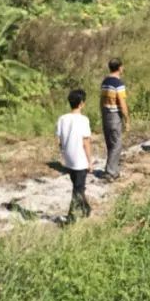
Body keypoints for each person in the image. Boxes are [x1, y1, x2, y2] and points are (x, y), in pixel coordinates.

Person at [57, 89, 94, 222]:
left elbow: (60, 141)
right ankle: (71, 217)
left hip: (68, 158)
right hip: (80, 159)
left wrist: (65, 153)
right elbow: (86, 142)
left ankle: (86, 209)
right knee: (77, 189)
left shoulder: (62, 119)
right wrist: (90, 161)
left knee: (78, 185)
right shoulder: (83, 120)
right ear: (81, 103)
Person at [99, 58, 130, 181]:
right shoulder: (118, 84)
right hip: (114, 114)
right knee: (116, 144)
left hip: (106, 113)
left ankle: (114, 169)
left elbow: (101, 100)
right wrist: (127, 119)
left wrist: (102, 111)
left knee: (110, 143)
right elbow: (122, 103)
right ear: (120, 67)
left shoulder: (105, 82)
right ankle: (110, 171)